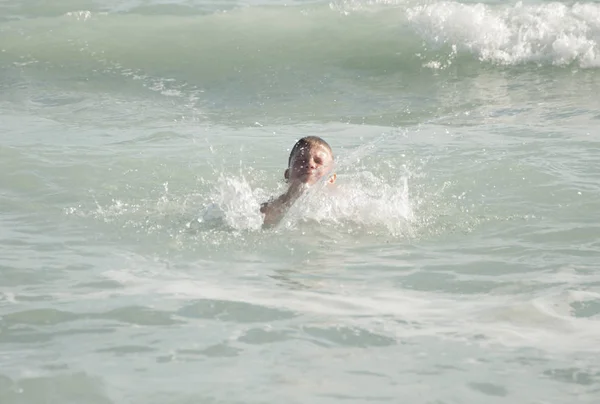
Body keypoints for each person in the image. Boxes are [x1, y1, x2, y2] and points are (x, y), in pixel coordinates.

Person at [260, 136, 337, 227]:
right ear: (287, 175)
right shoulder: (269, 209)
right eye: (301, 160)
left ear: (331, 178)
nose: (310, 164)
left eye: (318, 161)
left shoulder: (338, 204)